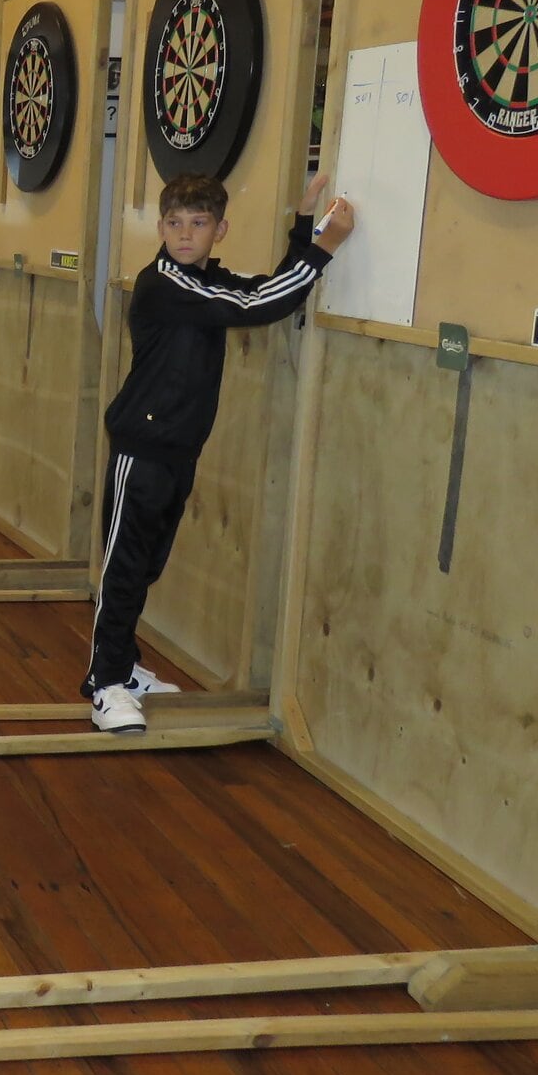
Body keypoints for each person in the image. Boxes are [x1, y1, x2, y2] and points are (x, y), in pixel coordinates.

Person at [87, 170, 354, 734]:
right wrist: (324, 246)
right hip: (142, 449)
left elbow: (265, 288)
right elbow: (258, 305)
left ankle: (124, 668)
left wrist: (305, 223)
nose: (185, 234)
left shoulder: (209, 280)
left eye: (199, 223)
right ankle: (105, 683)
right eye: (175, 223)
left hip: (179, 450)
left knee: (147, 565)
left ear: (219, 230)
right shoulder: (165, 283)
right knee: (125, 567)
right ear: (161, 228)